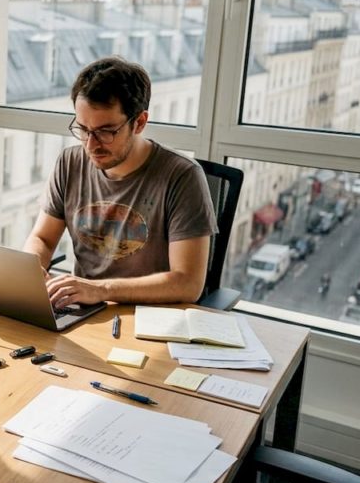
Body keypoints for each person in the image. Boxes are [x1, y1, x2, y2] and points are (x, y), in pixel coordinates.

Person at [23, 57, 217, 307]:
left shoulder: (182, 176)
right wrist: (33, 268)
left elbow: (188, 283)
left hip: (147, 318)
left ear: (139, 122)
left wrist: (101, 290)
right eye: (83, 129)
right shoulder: (70, 162)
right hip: (84, 311)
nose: (91, 145)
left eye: (105, 131)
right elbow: (43, 239)